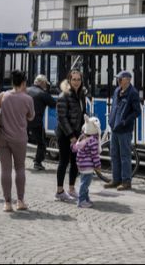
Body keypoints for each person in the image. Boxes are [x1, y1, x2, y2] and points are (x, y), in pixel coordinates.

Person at [0, 70, 35, 213]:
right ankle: (20, 201)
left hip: (2, 138)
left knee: (5, 169)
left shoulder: (2, 96)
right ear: (23, 83)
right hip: (19, 138)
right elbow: (31, 117)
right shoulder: (27, 99)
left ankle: (7, 203)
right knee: (20, 168)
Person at [105, 70, 140, 191]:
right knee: (114, 154)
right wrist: (111, 119)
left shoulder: (133, 93)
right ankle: (116, 179)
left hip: (124, 129)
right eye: (118, 79)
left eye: (120, 78)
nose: (118, 80)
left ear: (127, 80)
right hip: (114, 127)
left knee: (125, 156)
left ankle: (126, 182)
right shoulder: (117, 91)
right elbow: (115, 106)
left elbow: (137, 111)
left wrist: (125, 121)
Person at [55, 69, 87, 201]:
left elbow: (82, 113)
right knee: (63, 161)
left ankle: (72, 188)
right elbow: (62, 118)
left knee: (75, 162)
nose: (76, 82)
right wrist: (71, 135)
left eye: (78, 79)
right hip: (65, 134)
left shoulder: (81, 95)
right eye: (73, 79)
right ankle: (59, 191)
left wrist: (84, 130)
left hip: (77, 133)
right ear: (69, 80)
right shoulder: (64, 95)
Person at [26, 75, 56, 171]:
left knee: (20, 141)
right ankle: (38, 162)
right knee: (41, 143)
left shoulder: (26, 90)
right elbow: (53, 104)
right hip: (36, 122)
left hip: (22, 121)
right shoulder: (42, 93)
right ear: (43, 83)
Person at [73, 116, 102, 208]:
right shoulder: (93, 141)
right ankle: (81, 201)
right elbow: (95, 155)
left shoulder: (82, 137)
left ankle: (86, 198)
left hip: (81, 164)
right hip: (88, 166)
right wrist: (98, 166)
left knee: (84, 182)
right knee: (85, 184)